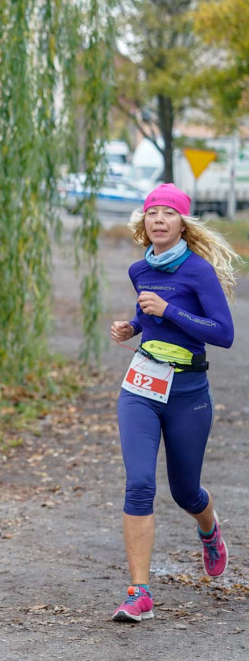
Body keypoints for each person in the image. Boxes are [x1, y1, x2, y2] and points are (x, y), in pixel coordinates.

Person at [108, 183, 239, 623]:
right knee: (139, 484)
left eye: (168, 213)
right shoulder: (139, 269)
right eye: (152, 213)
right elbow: (147, 316)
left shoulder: (198, 271)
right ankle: (139, 593)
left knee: (186, 491)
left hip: (187, 392)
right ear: (144, 222)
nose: (159, 219)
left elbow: (223, 333)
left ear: (183, 223)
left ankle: (209, 528)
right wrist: (133, 327)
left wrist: (169, 311)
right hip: (142, 387)